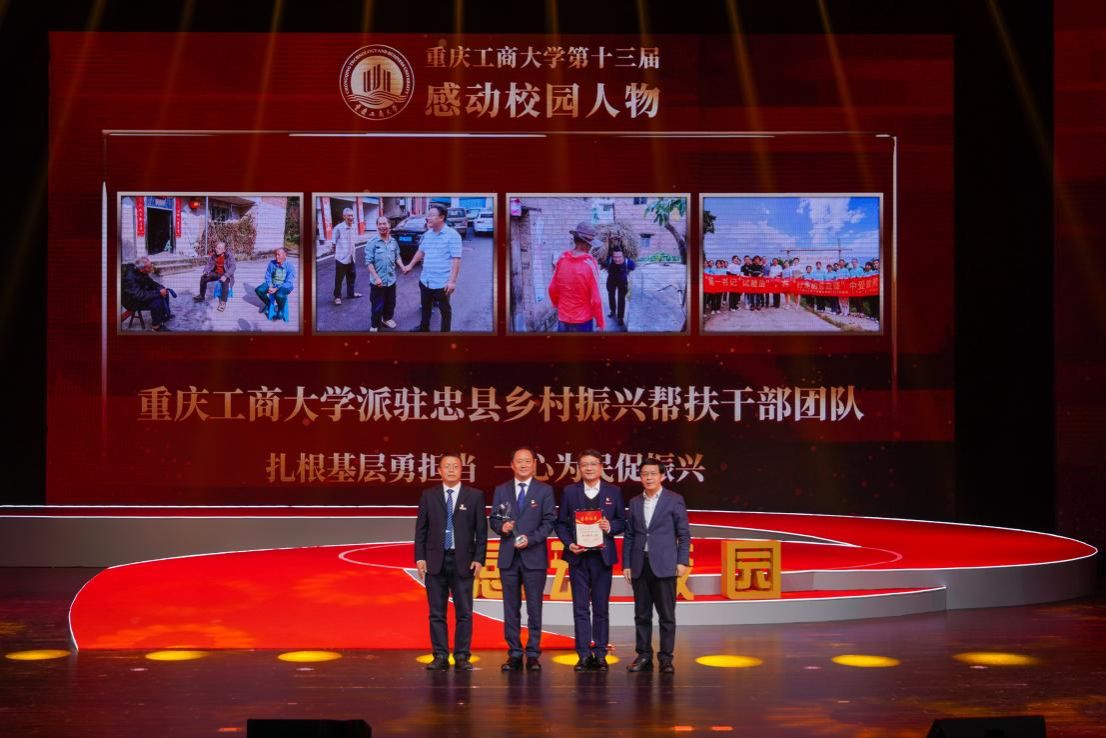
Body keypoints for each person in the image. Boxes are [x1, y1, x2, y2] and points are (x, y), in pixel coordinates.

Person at [414, 453, 487, 671]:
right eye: (447, 466)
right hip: (435, 560)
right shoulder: (429, 495)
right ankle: (440, 655)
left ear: (462, 469)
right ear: (439, 470)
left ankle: (462, 655)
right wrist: (420, 557)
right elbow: (421, 530)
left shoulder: (474, 496)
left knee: (464, 612)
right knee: (437, 613)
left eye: (455, 466)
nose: (451, 470)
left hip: (463, 561)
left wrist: (479, 558)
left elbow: (481, 531)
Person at [553, 449, 624, 671]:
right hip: (579, 558)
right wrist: (569, 544)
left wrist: (610, 526)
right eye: (585, 465)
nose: (589, 468)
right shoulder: (570, 492)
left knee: (601, 608)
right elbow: (560, 523)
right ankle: (583, 655)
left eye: (593, 464)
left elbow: (623, 521)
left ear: (601, 467)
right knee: (580, 608)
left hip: (603, 558)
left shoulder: (614, 491)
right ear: (579, 468)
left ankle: (600, 654)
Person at [490, 447, 556, 671]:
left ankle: (533, 653)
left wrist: (531, 539)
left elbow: (549, 522)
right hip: (509, 557)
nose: (524, 465)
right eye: (519, 461)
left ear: (534, 464)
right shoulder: (501, 490)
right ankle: (515, 653)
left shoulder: (544, 490)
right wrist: (502, 527)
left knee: (534, 608)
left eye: (528, 461)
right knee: (511, 608)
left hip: (534, 556)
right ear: (512, 465)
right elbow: (494, 519)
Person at [623, 458, 690, 674]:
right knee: (642, 615)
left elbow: (684, 533)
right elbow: (630, 535)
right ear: (640, 477)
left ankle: (666, 658)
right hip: (640, 564)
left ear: (662, 476)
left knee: (666, 615)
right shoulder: (634, 502)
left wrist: (682, 561)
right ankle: (644, 655)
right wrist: (627, 563)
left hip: (665, 565)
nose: (649, 477)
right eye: (645, 474)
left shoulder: (674, 499)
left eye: (653, 473)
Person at [406, 204, 462, 332]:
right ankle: (424, 327)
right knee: (425, 307)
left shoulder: (453, 235)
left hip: (442, 283)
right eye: (428, 215)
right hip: (426, 280)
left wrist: (452, 282)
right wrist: (410, 265)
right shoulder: (428, 234)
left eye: (431, 215)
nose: (428, 218)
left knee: (445, 310)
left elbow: (456, 259)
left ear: (441, 217)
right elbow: (421, 251)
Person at [548, 221, 606, 332]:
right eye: (591, 244)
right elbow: (596, 299)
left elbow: (552, 288)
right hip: (583, 321)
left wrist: (557, 305)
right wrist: (600, 322)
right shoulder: (590, 263)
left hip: (563, 318)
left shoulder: (562, 259)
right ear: (587, 244)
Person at [364, 216, 405, 331]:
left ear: (389, 225)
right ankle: (374, 325)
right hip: (378, 282)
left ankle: (386, 319)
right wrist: (376, 277)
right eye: (380, 224)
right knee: (377, 305)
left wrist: (402, 267)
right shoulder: (372, 242)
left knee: (391, 302)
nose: (382, 226)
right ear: (377, 226)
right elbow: (369, 262)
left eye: (384, 224)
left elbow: (397, 256)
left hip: (391, 280)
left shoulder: (393, 242)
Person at [122, 256, 172, 331]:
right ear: (142, 269)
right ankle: (156, 326)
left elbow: (151, 282)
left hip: (140, 293)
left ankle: (164, 315)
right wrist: (159, 293)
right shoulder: (130, 277)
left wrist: (161, 288)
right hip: (131, 301)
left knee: (164, 290)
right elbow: (140, 295)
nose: (152, 268)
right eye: (149, 267)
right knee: (157, 301)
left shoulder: (141, 271)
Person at [193, 240, 235, 312]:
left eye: (219, 248)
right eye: (216, 248)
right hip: (216, 273)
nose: (217, 249)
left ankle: (223, 303)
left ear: (224, 250)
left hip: (225, 274)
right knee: (203, 278)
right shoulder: (214, 255)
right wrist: (206, 270)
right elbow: (209, 264)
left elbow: (233, 267)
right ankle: (201, 296)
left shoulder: (229, 256)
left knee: (225, 284)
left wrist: (226, 276)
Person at [331, 207, 362, 306]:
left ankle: (351, 293)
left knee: (352, 276)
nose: (351, 217)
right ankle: (337, 297)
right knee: (339, 279)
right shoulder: (338, 228)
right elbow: (333, 244)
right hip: (341, 258)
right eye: (349, 215)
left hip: (351, 257)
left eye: (352, 215)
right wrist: (339, 254)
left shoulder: (354, 227)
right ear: (344, 216)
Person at [255, 247, 295, 320]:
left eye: (279, 255)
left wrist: (276, 288)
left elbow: (288, 282)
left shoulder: (290, 266)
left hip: (284, 286)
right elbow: (268, 275)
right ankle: (269, 304)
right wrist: (270, 286)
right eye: (276, 254)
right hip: (273, 283)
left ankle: (281, 309)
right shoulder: (272, 263)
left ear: (285, 255)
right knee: (259, 290)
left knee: (279, 295)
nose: (276, 256)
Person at [604, 248, 635, 327]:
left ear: (623, 256)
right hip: (611, 281)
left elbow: (633, 267)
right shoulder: (609, 260)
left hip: (622, 282)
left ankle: (620, 317)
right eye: (615, 257)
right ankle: (613, 311)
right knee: (611, 296)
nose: (617, 259)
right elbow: (603, 264)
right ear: (612, 256)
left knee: (621, 299)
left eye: (619, 257)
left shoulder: (628, 262)